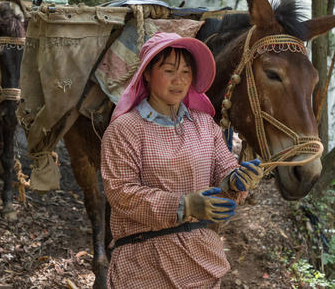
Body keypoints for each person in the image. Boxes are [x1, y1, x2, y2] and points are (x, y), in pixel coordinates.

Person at [101, 32, 265, 288]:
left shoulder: (204, 125)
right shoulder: (125, 129)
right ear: (146, 73)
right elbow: (121, 193)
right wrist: (184, 205)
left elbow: (223, 170)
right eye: (169, 71)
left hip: (201, 260)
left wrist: (237, 180)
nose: (179, 81)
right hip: (143, 264)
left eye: (187, 72)